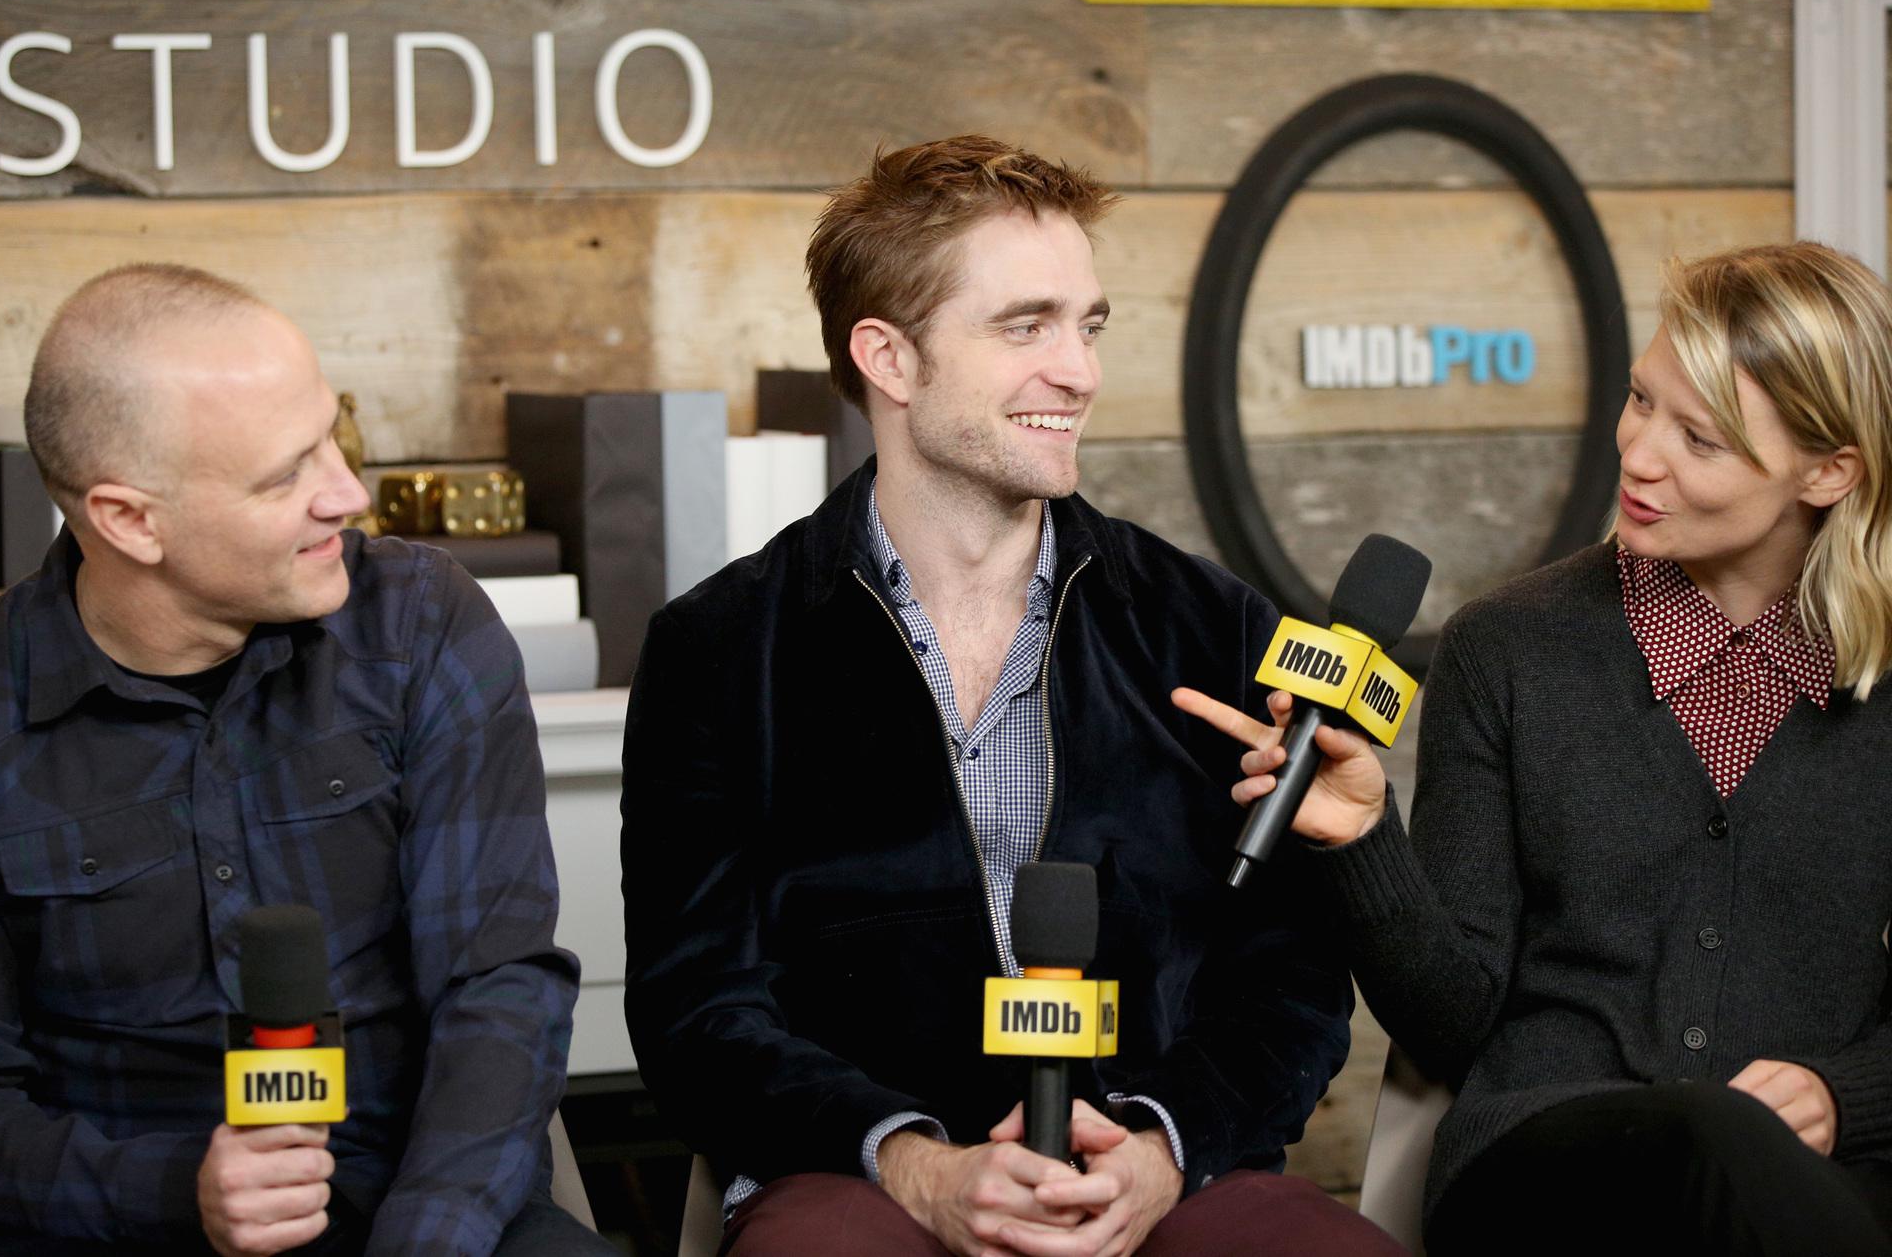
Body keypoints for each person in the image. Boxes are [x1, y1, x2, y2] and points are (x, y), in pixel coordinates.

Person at [620, 135, 1404, 1257]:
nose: (1077, 371)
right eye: (1023, 326)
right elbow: (696, 1010)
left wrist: (1160, 1149)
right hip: (866, 1180)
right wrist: (917, 1165)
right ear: (888, 359)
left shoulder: (1211, 626)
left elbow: (1286, 981)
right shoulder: (716, 649)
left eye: (1085, 325)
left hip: (1161, 1173)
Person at [0, 265, 606, 1257]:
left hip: (427, 1208)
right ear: (130, 519)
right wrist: (184, 1192)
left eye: (330, 436)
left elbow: (498, 987)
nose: (346, 494)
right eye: (285, 473)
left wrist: (429, 1235)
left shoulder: (422, 624)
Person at [1179, 241, 1892, 1253]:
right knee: (1707, 1139)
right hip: (1542, 1167)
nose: (1638, 454)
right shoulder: (1511, 646)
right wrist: (1361, 840)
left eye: (1699, 438)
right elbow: (1453, 1020)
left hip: (1817, 1182)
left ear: (1825, 471)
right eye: (1642, 400)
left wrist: (1841, 1093)